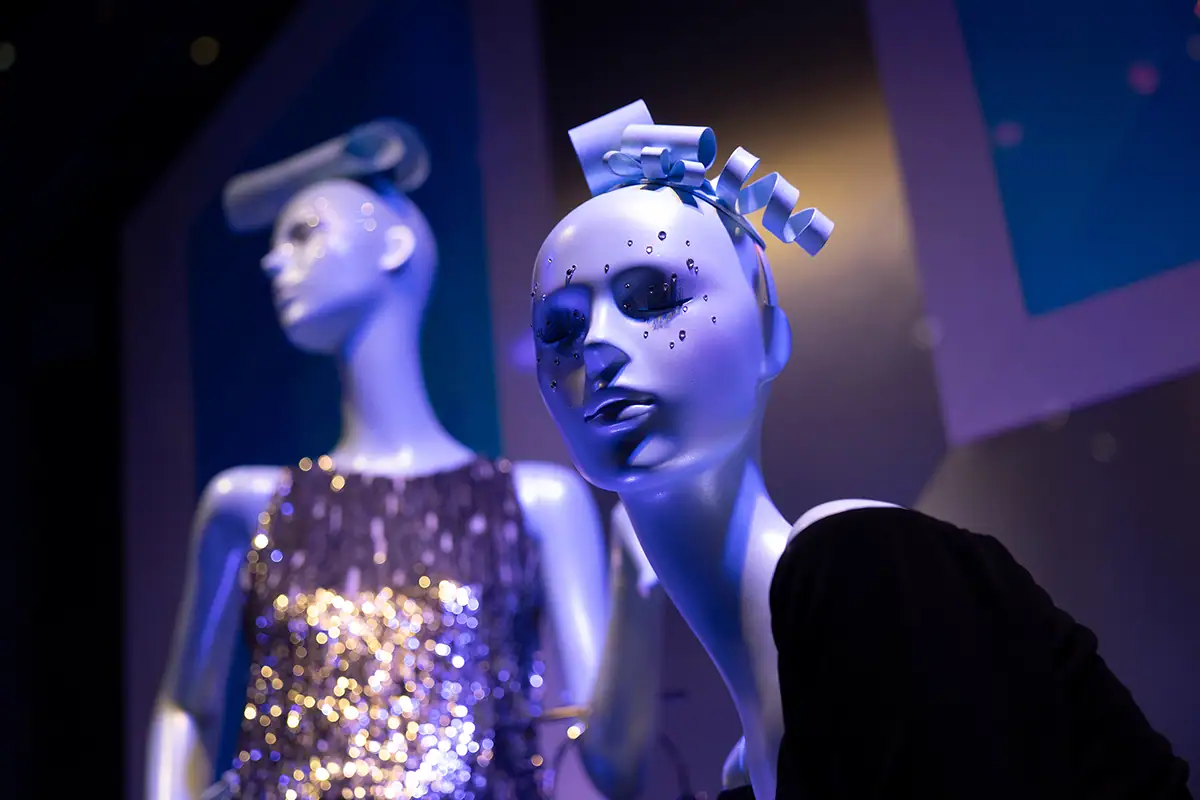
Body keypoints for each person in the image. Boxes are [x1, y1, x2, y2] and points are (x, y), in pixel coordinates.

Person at [529, 100, 1193, 799]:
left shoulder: (866, 569)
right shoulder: (749, 768)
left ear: (769, 333)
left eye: (654, 294)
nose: (597, 344)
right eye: (561, 330)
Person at [146, 119, 663, 800]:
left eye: (304, 234)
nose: (274, 263)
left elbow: (613, 764)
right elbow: (187, 707)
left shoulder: (539, 503)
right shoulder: (247, 505)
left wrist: (640, 591)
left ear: (394, 245)